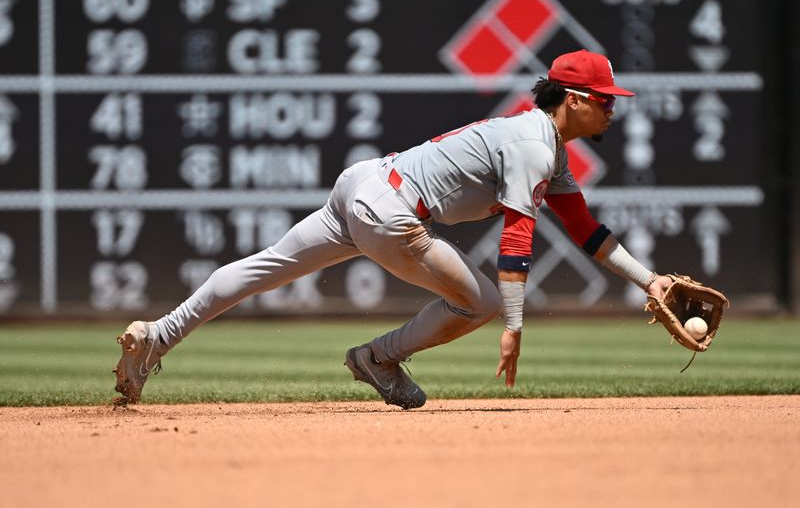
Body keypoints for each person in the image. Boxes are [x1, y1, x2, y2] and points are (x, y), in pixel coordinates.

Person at [114, 49, 673, 408]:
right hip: (393, 213)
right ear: (574, 100)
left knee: (265, 268)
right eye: (605, 101)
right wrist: (515, 324)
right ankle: (378, 358)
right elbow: (517, 239)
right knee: (481, 304)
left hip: (364, 183)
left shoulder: (542, 146)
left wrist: (648, 281)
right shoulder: (533, 147)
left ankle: (157, 336)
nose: (612, 110)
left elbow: (585, 230)